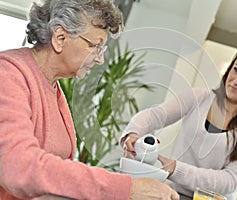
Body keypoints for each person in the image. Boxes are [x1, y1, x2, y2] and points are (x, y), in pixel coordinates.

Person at [0, 0, 180, 199]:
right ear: (60, 38)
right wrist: (125, 188)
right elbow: (18, 166)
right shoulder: (8, 74)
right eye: (95, 46)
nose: (100, 59)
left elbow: (57, 170)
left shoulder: (53, 86)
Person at [120, 44, 237, 199]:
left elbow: (230, 180)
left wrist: (176, 169)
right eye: (236, 69)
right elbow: (155, 115)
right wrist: (133, 133)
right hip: (172, 194)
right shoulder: (199, 98)